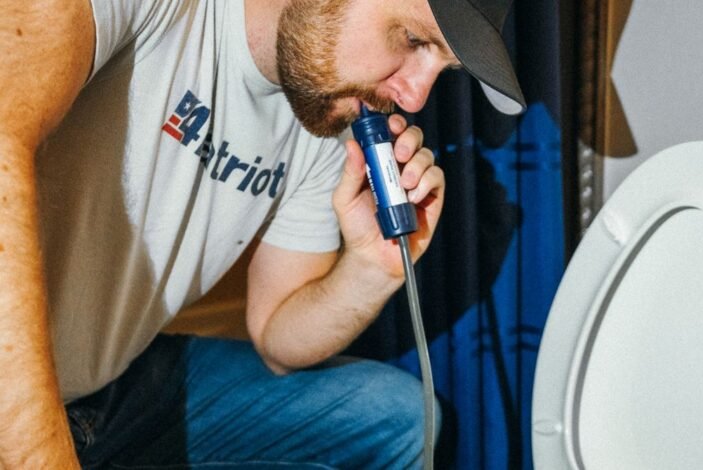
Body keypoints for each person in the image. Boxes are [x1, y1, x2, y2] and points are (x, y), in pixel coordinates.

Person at [0, 0, 525, 467]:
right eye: (412, 40)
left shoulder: (325, 118)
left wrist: (372, 266)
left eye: (442, 71)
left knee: (401, 419)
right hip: (20, 398)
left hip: (108, 389)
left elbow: (277, 337)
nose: (413, 96)